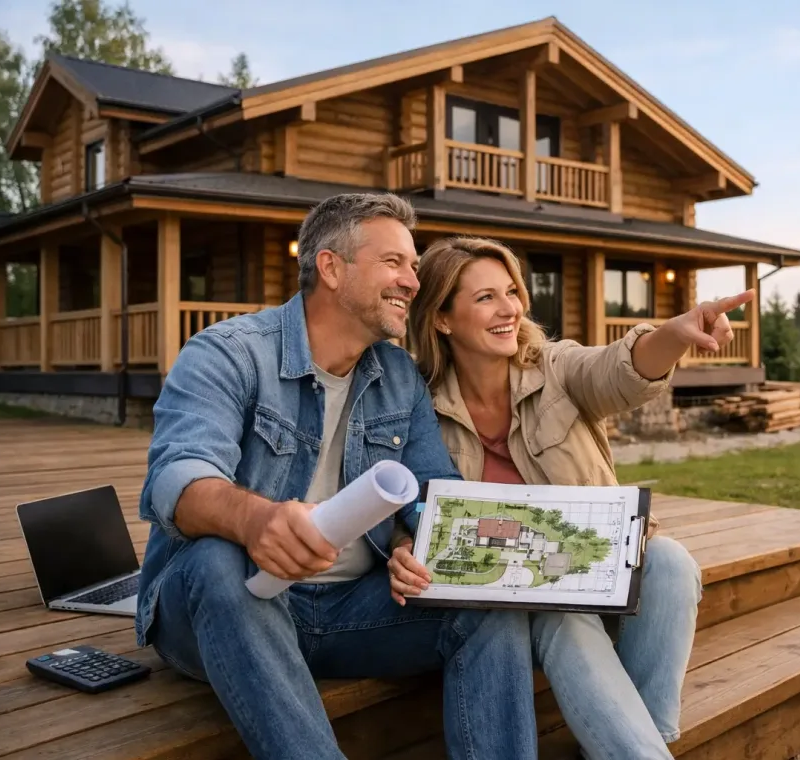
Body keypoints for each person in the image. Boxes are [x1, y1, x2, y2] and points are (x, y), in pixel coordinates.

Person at [135, 195, 539, 760]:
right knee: (217, 559)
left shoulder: (398, 375)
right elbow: (177, 478)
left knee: (484, 603)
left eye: (413, 266)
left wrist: (410, 542)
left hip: (353, 611)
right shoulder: (228, 353)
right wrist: (257, 521)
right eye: (394, 263)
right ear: (330, 267)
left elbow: (431, 491)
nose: (413, 282)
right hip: (225, 610)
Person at [390, 235, 755, 759]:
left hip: (598, 570)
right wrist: (404, 544)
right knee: (564, 615)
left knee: (671, 562)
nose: (509, 309)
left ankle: (638, 743)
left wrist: (674, 335)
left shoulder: (555, 368)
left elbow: (619, 370)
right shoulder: (419, 405)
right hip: (517, 600)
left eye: (511, 291)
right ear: (442, 319)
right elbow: (413, 502)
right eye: (486, 297)